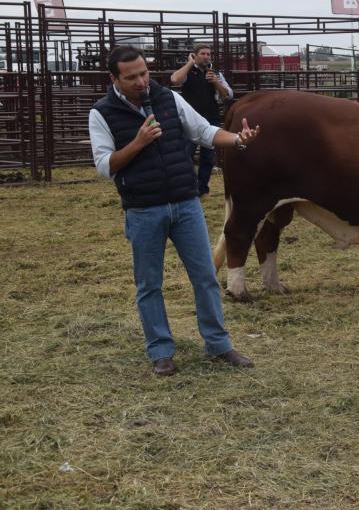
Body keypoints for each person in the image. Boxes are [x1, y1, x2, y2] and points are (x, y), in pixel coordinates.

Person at [89, 45, 260, 377]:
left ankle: (219, 344)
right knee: (149, 284)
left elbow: (204, 131)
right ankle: (161, 351)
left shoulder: (167, 98)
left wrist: (238, 140)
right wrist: (138, 142)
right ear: (115, 79)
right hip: (142, 209)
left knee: (206, 277)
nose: (141, 81)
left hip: (185, 203)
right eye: (132, 77)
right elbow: (104, 166)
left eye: (144, 73)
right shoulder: (101, 112)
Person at [169, 43, 233, 196]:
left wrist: (216, 82)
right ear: (195, 55)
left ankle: (202, 189)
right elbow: (175, 79)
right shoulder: (188, 71)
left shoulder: (215, 73)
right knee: (187, 154)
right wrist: (190, 63)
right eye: (203, 54)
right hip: (189, 119)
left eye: (208, 54)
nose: (206, 57)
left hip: (211, 117)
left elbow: (228, 95)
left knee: (208, 157)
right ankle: (188, 187)